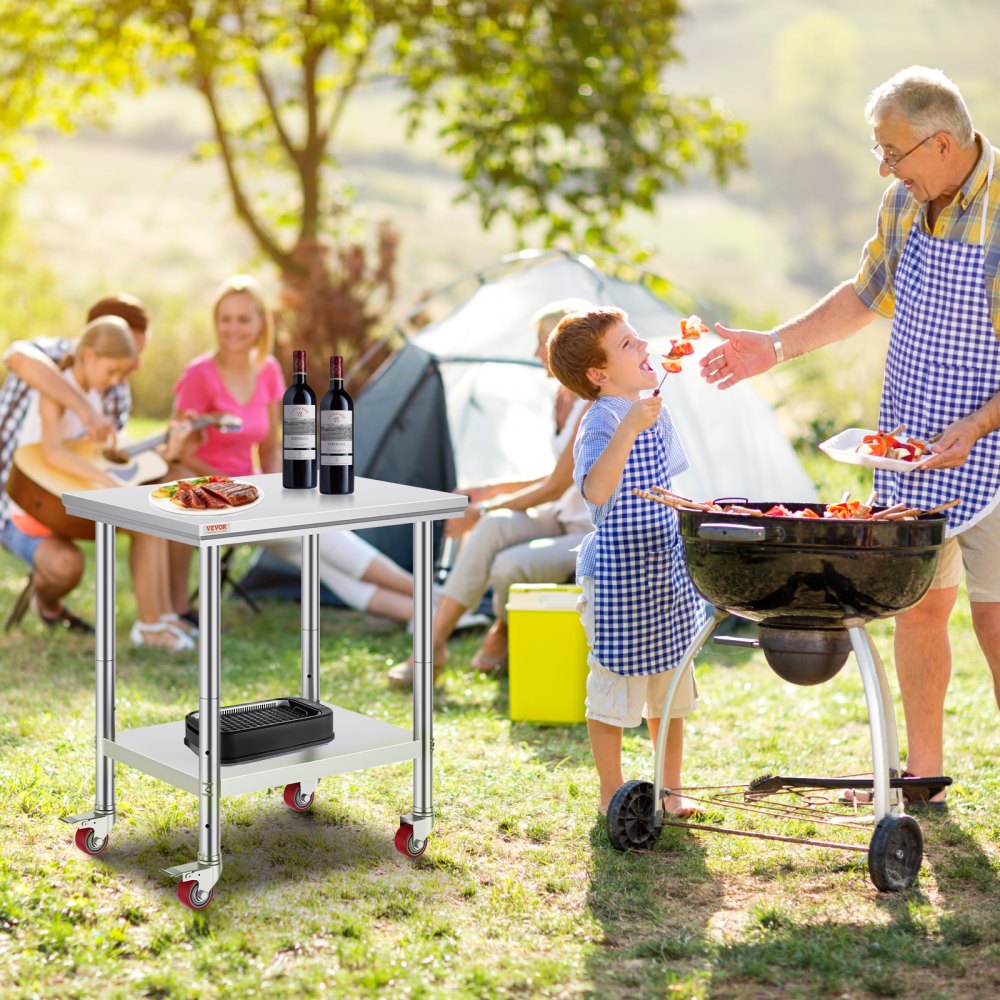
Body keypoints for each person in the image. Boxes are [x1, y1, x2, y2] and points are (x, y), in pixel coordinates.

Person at [699, 66, 1000, 810]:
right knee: (918, 610)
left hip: (990, 453)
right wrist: (772, 347)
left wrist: (976, 425)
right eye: (880, 153)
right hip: (911, 451)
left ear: (941, 143)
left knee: (996, 623)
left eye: (893, 153)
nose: (885, 169)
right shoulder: (905, 199)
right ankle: (922, 777)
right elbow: (866, 294)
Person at [168, 274, 436, 627]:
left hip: (256, 496)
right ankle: (439, 598)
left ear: (261, 323)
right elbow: (176, 452)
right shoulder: (199, 374)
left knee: (320, 552)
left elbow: (269, 446)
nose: (233, 328)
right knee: (324, 537)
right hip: (214, 498)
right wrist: (232, 489)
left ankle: (428, 613)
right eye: (225, 319)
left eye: (243, 319)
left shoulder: (267, 370)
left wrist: (284, 495)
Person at [545, 306, 707, 817]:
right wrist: (628, 430)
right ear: (599, 374)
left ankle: (670, 788)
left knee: (671, 686)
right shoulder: (601, 421)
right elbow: (595, 490)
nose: (644, 349)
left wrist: (693, 512)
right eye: (628, 345)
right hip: (619, 574)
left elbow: (662, 485)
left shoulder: (653, 410)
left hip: (664, 568)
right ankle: (611, 792)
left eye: (639, 339)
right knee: (612, 687)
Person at [386, 299, 595, 688]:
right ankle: (433, 646)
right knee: (493, 527)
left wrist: (481, 507)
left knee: (506, 564)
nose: (535, 353)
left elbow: (555, 485)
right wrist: (487, 494)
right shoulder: (562, 397)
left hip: (589, 531)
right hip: (561, 518)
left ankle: (502, 630)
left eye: (542, 342)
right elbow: (556, 475)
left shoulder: (589, 404)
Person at [2, 315, 192, 650]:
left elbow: (98, 455)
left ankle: (163, 618)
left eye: (122, 374)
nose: (116, 381)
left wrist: (168, 450)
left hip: (71, 498)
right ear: (88, 356)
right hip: (38, 505)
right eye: (112, 371)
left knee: (154, 516)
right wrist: (105, 480)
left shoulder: (96, 394)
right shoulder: (57, 389)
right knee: (144, 522)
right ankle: (150, 628)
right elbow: (53, 453)